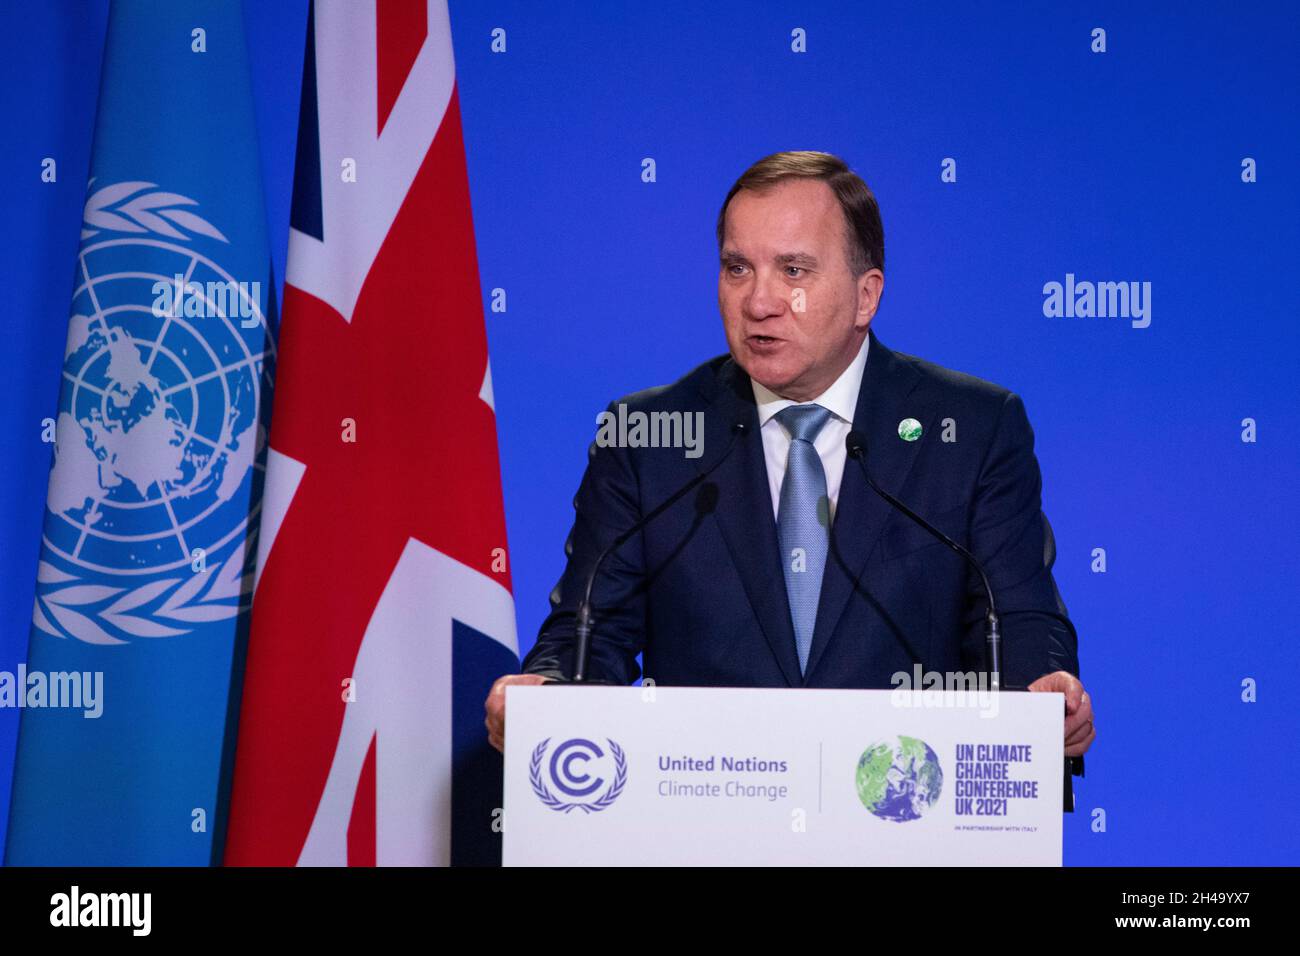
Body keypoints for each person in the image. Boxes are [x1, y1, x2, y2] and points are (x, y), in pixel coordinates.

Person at [485, 151, 1095, 768]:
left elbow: (1014, 618)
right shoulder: (649, 437)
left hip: (903, 809)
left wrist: (1042, 698)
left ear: (866, 296)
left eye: (794, 270)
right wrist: (550, 693)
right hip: (704, 811)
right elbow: (592, 630)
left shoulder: (971, 430)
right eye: (737, 268)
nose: (759, 302)